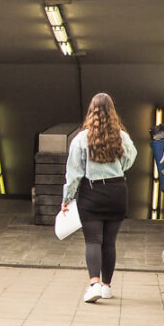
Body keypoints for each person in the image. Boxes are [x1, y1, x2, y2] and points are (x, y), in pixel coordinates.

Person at [61, 93, 137, 303]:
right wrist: (117, 169)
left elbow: (74, 173)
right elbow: (131, 157)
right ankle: (106, 287)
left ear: (91, 112)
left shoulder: (81, 139)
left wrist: (67, 198)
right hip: (117, 191)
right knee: (110, 242)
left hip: (92, 192)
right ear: (112, 112)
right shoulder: (121, 137)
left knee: (93, 240)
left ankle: (93, 284)